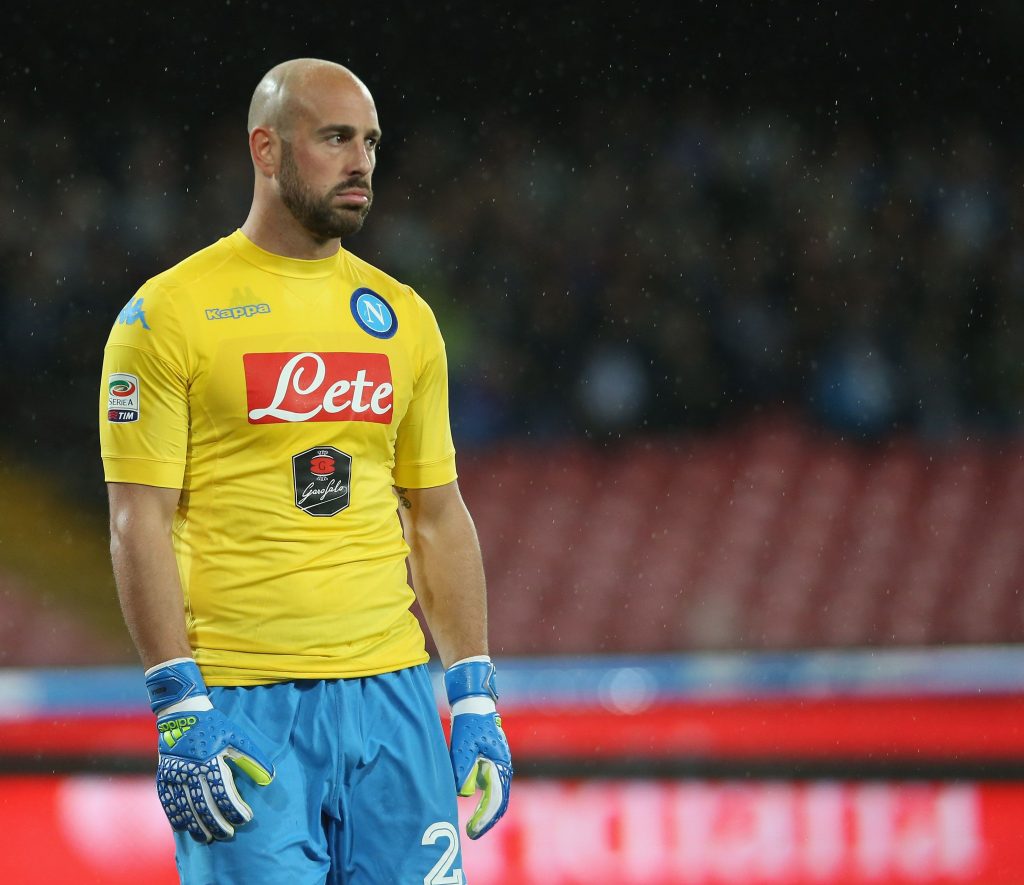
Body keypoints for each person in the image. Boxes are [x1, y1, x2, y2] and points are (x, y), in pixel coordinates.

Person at [99, 58, 511, 884]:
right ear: (267, 149)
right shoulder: (166, 315)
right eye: (334, 138)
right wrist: (178, 703)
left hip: (394, 701)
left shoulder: (402, 317)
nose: (361, 161)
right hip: (248, 707)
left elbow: (436, 512)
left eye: (370, 142)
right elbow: (135, 517)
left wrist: (471, 693)